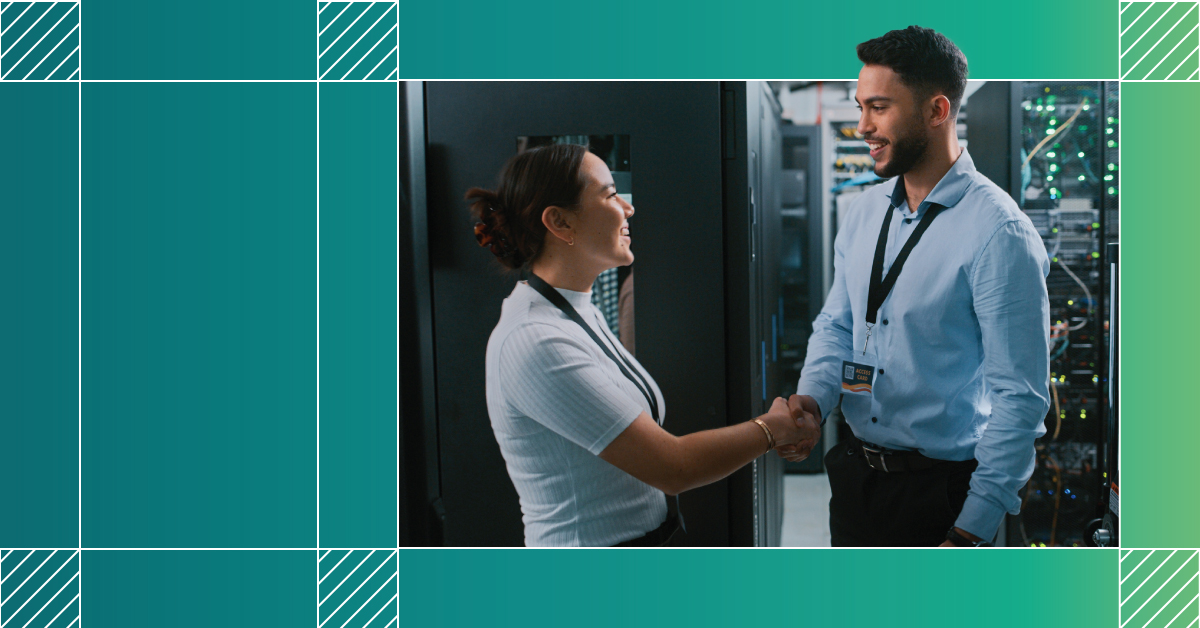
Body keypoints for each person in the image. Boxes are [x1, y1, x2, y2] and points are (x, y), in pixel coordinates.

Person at [776, 26, 1051, 547]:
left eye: (878, 107)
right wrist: (812, 401)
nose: (863, 126)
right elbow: (837, 324)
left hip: (944, 496)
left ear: (936, 110)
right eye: (860, 107)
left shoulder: (999, 233)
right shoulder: (863, 214)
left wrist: (973, 527)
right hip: (857, 478)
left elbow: (1021, 399)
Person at [470, 144, 821, 547]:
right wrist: (772, 429)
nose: (628, 208)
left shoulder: (577, 312)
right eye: (609, 194)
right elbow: (673, 467)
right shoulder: (535, 340)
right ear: (560, 222)